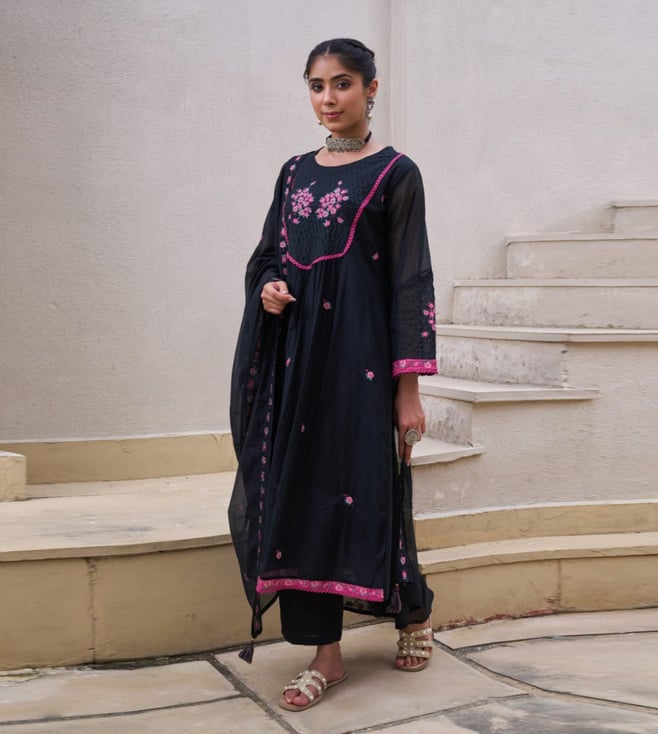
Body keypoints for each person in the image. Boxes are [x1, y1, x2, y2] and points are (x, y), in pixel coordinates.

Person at [229, 37, 437, 712]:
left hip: (362, 364)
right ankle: (325, 656)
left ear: (371, 89)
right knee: (302, 498)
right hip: (297, 364)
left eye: (342, 83)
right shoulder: (294, 173)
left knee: (372, 490)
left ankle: (412, 610)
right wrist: (269, 288)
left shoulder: (396, 173)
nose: (328, 98)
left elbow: (410, 281)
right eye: (317, 86)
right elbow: (269, 255)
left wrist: (408, 391)